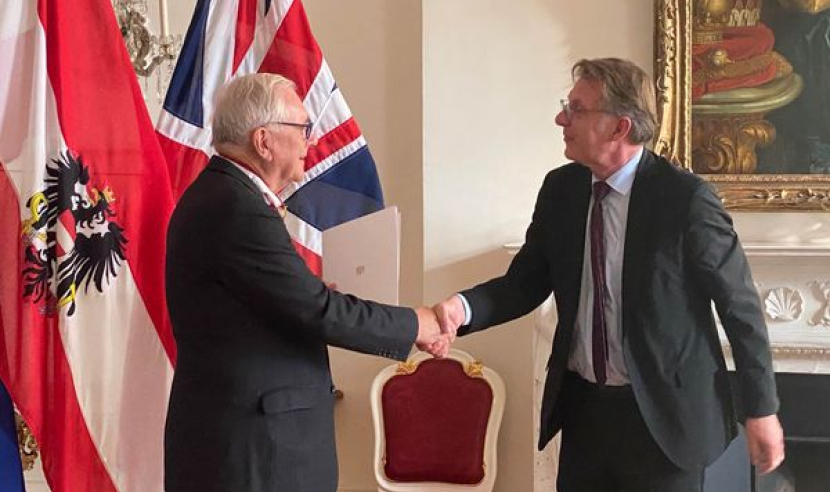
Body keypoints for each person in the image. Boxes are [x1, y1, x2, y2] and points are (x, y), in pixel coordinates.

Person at [431, 58, 785, 492]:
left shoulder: (685, 199)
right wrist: (459, 309)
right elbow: (522, 285)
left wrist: (761, 409)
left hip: (665, 420)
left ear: (619, 127)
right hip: (586, 414)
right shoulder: (561, 190)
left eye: (577, 109)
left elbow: (740, 307)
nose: (562, 118)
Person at [164, 73, 447, 492]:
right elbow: (318, 311)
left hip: (246, 440)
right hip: (254, 451)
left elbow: (276, 305)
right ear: (264, 141)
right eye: (301, 128)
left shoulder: (222, 196)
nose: (310, 142)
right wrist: (417, 324)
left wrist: (307, 294)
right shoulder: (237, 207)